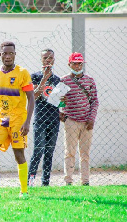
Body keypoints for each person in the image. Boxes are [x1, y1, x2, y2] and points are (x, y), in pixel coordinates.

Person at [0, 41, 35, 200]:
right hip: (1, 119)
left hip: (18, 119)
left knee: (18, 154)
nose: (8, 56)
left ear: (15, 54)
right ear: (0, 55)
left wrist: (27, 122)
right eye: (5, 53)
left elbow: (31, 99)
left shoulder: (23, 73)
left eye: (11, 53)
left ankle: (24, 192)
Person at [60, 52, 99, 186]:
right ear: (69, 64)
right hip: (71, 120)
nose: (77, 66)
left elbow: (94, 101)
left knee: (85, 153)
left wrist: (91, 118)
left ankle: (85, 181)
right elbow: (57, 100)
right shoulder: (64, 80)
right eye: (74, 63)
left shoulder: (89, 80)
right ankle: (68, 181)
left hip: (86, 122)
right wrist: (61, 112)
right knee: (69, 152)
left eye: (79, 63)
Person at [28, 49, 61, 187]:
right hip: (40, 118)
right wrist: (44, 79)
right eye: (45, 57)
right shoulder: (34, 76)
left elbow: (58, 102)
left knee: (49, 151)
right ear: (41, 59)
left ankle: (45, 183)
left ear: (54, 59)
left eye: (50, 58)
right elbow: (34, 96)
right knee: (38, 149)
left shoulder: (58, 79)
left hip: (54, 119)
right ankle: (29, 181)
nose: (48, 60)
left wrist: (62, 105)